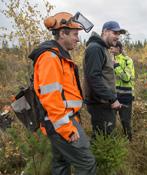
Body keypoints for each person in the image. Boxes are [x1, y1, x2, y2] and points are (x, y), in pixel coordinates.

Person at [29, 12, 96, 175]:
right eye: (74, 34)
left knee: (61, 164)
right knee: (87, 163)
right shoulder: (50, 58)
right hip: (62, 122)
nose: (78, 39)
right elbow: (51, 99)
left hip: (61, 120)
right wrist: (67, 128)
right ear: (62, 33)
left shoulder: (58, 56)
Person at [83, 21, 126, 137]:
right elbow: (94, 77)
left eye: (119, 34)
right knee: (103, 139)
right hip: (99, 103)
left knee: (104, 137)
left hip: (104, 102)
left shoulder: (102, 48)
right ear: (105, 32)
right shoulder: (95, 49)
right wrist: (112, 99)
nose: (117, 37)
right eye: (115, 33)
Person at [110, 41, 135, 141]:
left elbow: (126, 77)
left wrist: (115, 65)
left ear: (119, 48)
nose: (111, 48)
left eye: (113, 46)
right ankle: (111, 144)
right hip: (111, 96)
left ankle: (129, 142)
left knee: (125, 122)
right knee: (110, 122)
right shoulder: (107, 60)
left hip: (125, 96)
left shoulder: (127, 60)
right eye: (110, 47)